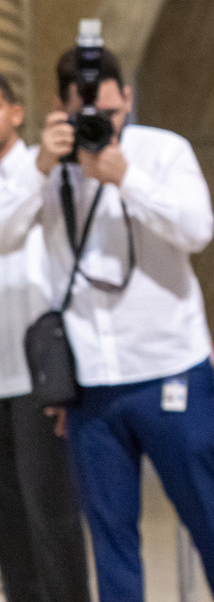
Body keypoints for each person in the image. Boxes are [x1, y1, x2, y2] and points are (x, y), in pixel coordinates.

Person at [0, 50, 214, 601]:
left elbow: (197, 229)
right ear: (58, 109)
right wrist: (41, 166)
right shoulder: (45, 169)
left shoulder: (162, 151)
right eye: (86, 115)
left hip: (171, 371)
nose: (102, 126)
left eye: (111, 113)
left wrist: (126, 178)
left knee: (213, 525)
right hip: (92, 390)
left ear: (128, 100)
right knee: (111, 543)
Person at [0, 73, 92, 602]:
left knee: (51, 515)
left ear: (16, 112)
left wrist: (41, 167)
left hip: (36, 374)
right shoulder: (38, 171)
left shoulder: (47, 170)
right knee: (8, 524)